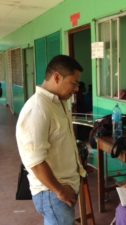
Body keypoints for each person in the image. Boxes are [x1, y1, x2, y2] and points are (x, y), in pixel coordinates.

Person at [16, 55, 86, 225]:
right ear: (57, 77)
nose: (76, 89)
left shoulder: (58, 102)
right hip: (52, 193)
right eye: (73, 83)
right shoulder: (38, 108)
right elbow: (35, 162)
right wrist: (60, 191)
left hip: (61, 190)